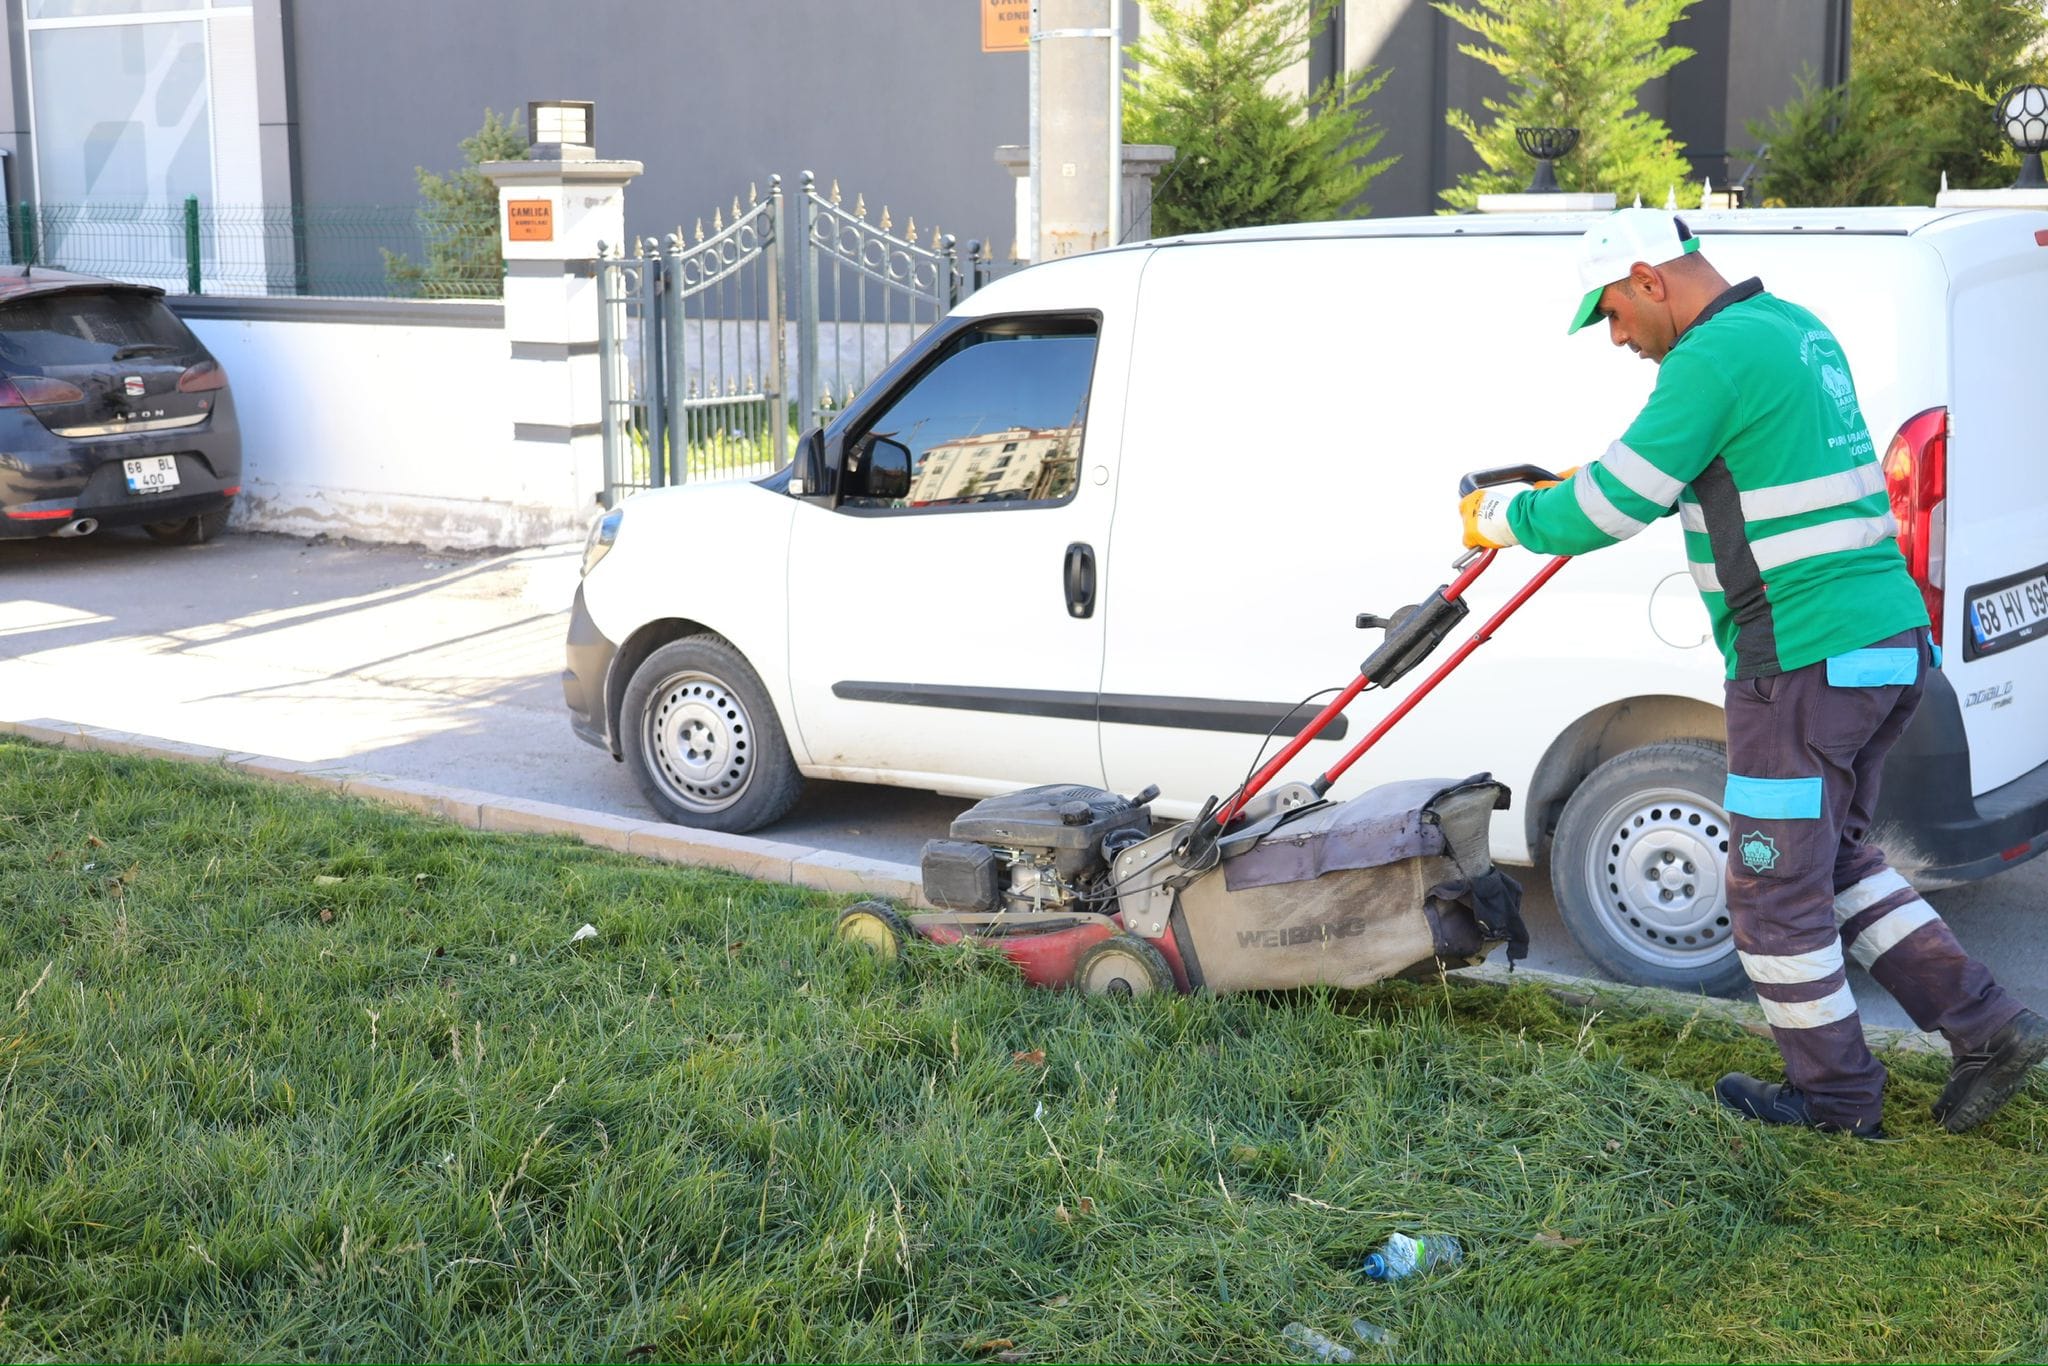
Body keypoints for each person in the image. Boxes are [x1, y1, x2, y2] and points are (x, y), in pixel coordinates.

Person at [1459, 207, 2047, 1138]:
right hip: (1886, 647)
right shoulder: (1796, 330)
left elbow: (1602, 510)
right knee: (1841, 860)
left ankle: (1836, 1101)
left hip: (1800, 666)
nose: (1617, 338)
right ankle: (1991, 1029)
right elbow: (1734, 463)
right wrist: (1609, 474)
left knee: (1773, 891)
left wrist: (1501, 516)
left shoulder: (1710, 358)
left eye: (1612, 312)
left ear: (1652, 279)